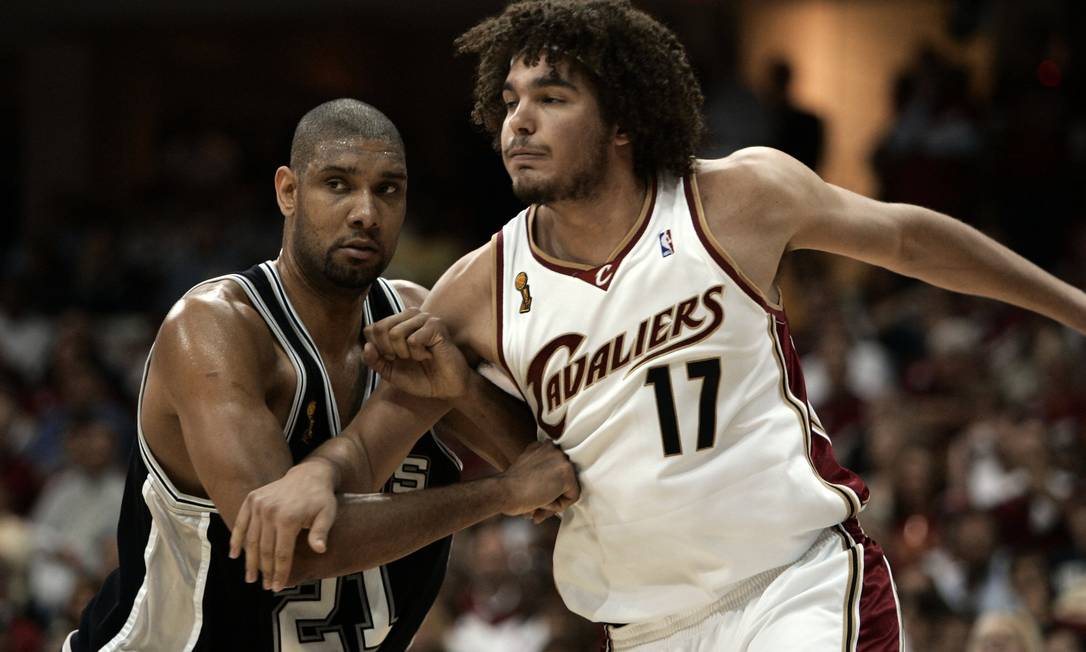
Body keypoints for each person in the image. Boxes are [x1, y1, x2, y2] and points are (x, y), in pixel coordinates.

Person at [232, 2, 1086, 650]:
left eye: (552, 97)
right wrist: (323, 472)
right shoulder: (479, 289)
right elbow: (376, 441)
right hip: (644, 628)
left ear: (624, 122)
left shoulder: (734, 198)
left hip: (795, 585)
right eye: (510, 100)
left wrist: (1072, 306)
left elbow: (908, 237)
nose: (518, 121)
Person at [65, 98, 579, 652]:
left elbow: (543, 477)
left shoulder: (416, 320)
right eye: (338, 184)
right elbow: (296, 553)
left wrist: (462, 389)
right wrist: (497, 495)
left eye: (388, 190)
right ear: (288, 191)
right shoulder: (215, 331)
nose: (366, 212)